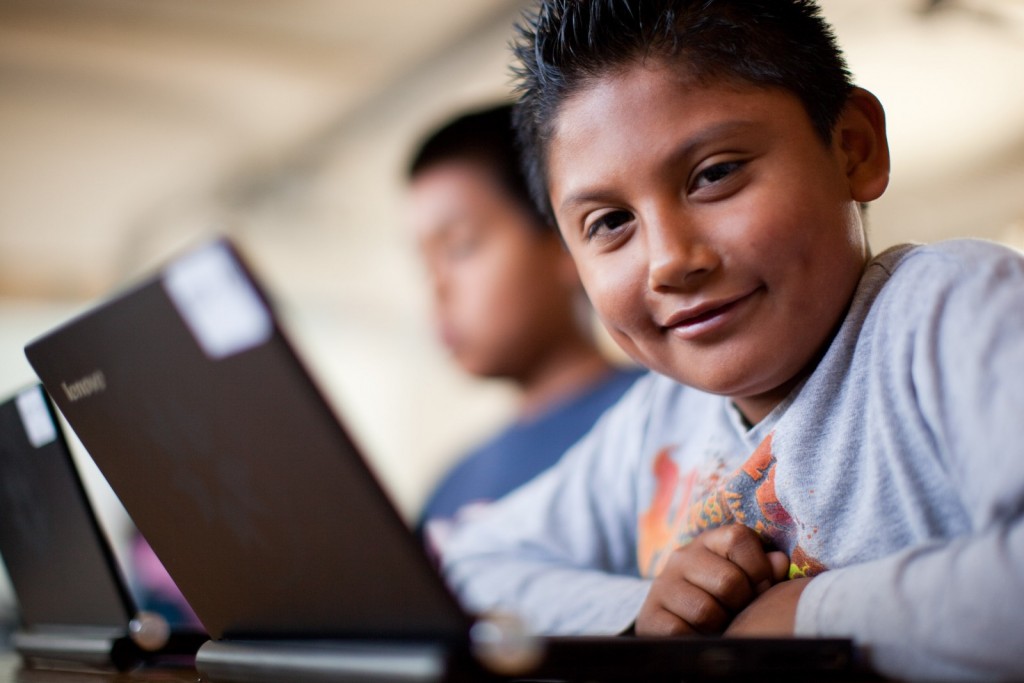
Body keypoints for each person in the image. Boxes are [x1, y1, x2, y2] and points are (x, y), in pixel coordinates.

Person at [439, 1, 1024, 681]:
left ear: (853, 148)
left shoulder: (948, 310)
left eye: (714, 173)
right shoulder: (654, 424)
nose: (669, 260)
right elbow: (470, 564)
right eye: (609, 222)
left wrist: (808, 616)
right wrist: (646, 609)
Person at [406, 104, 644, 555]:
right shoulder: (449, 488)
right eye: (424, 262)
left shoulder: (669, 417)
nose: (436, 287)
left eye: (459, 247)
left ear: (564, 241)